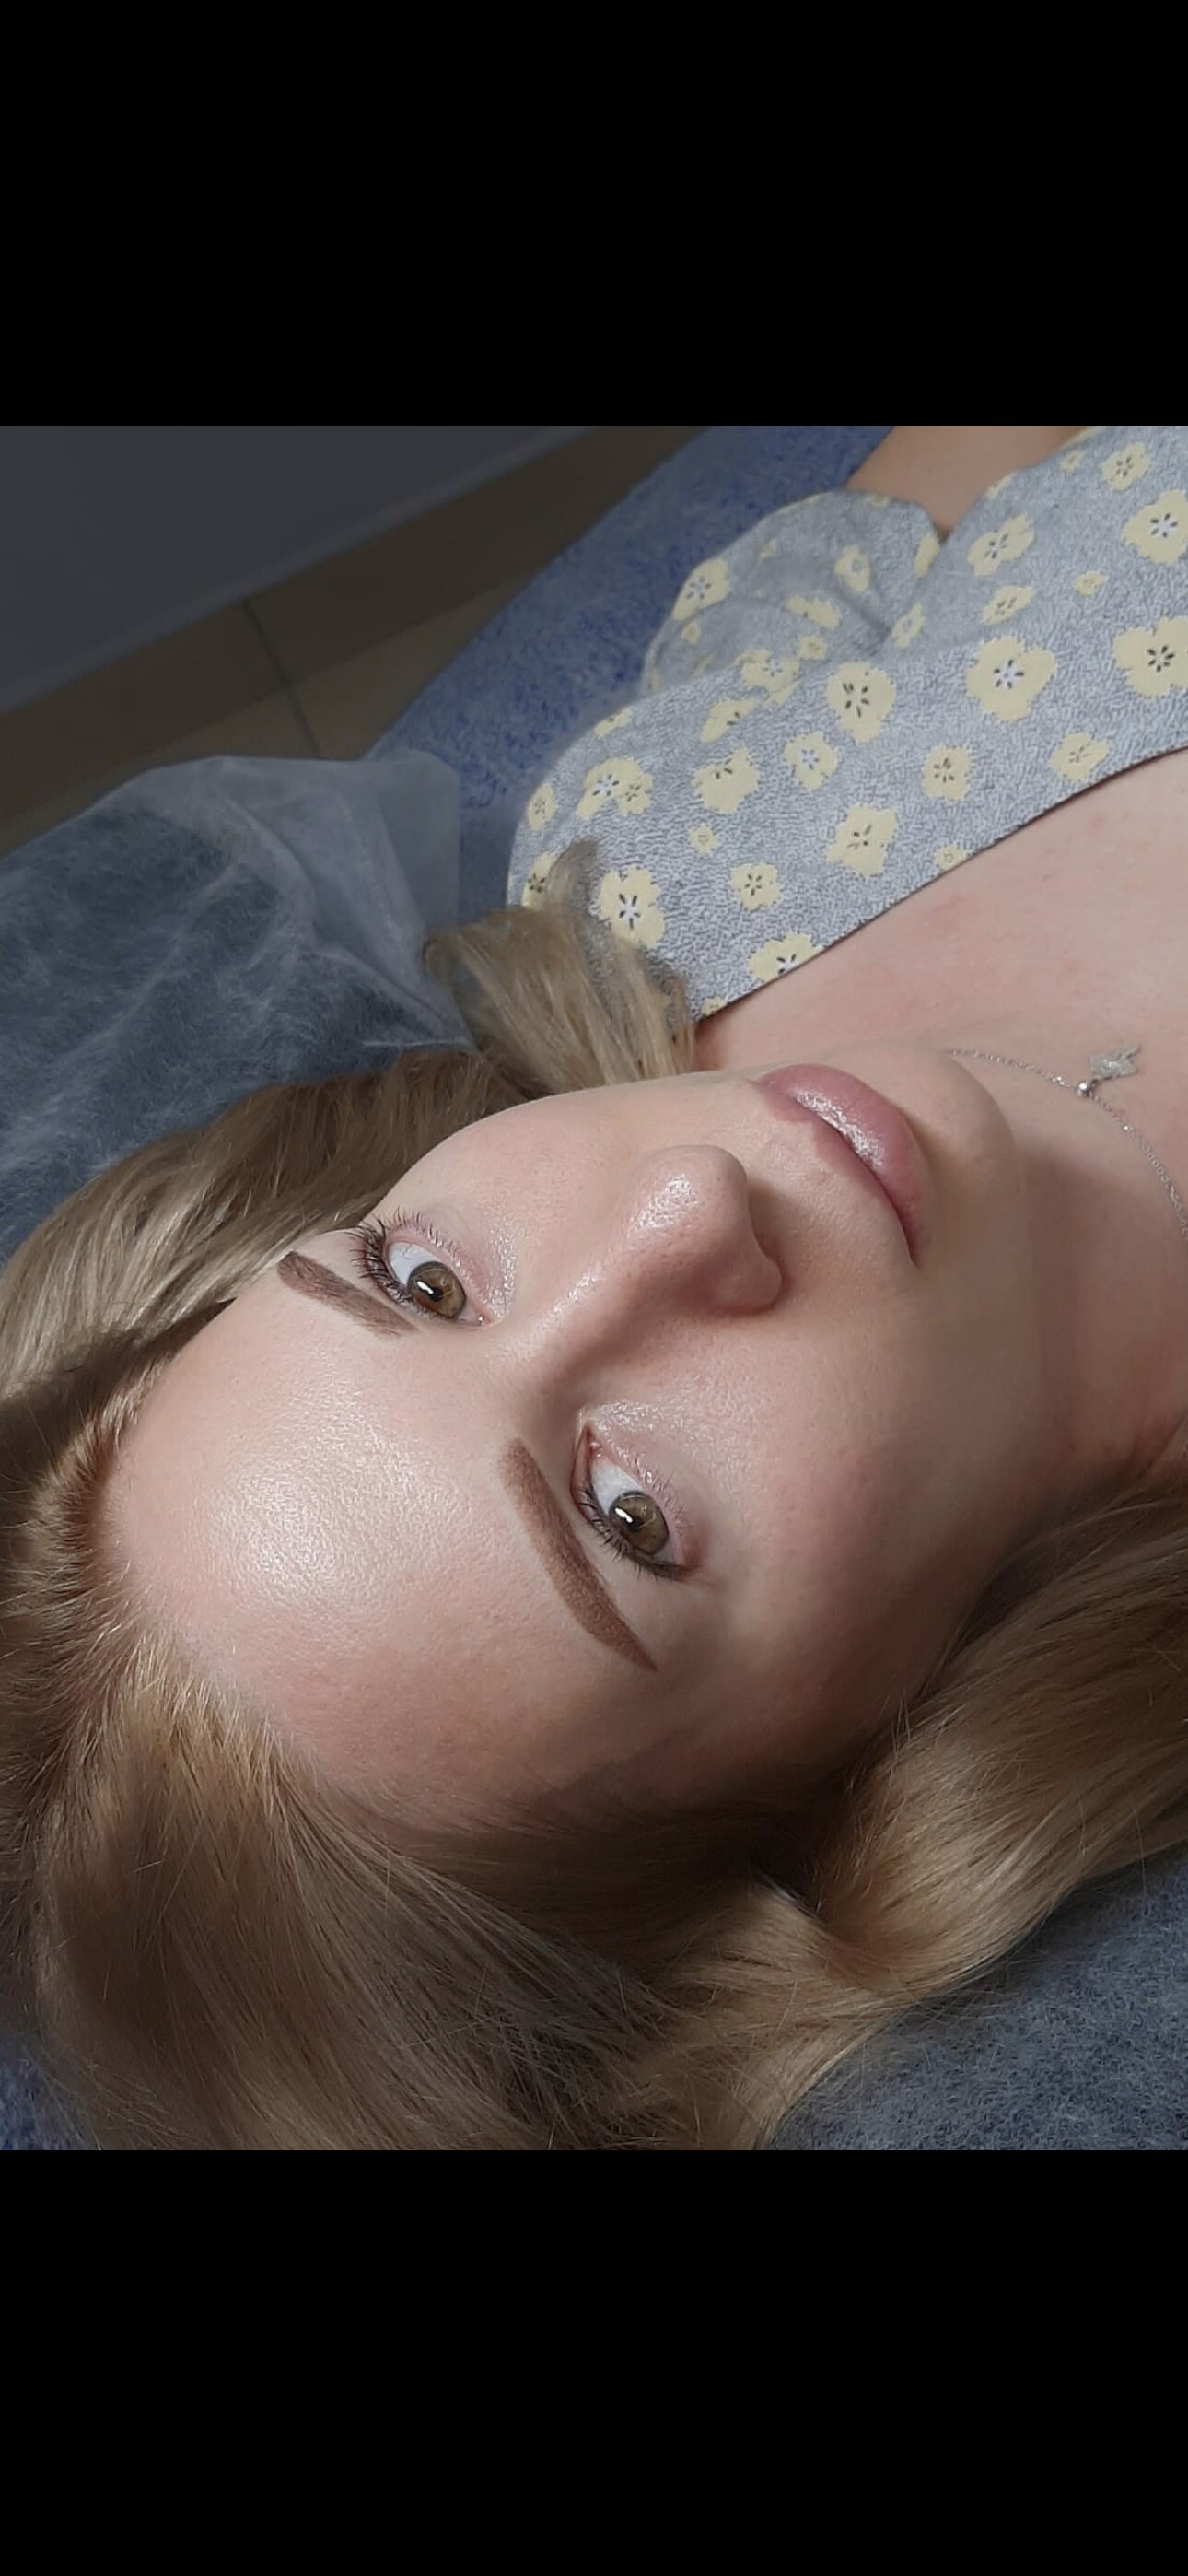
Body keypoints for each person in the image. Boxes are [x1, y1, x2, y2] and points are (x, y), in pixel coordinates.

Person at [5, 422, 1188, 2151]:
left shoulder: (661, 852)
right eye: (627, 1516)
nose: (683, 1209)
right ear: (852, 1769)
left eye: (421, 1281)